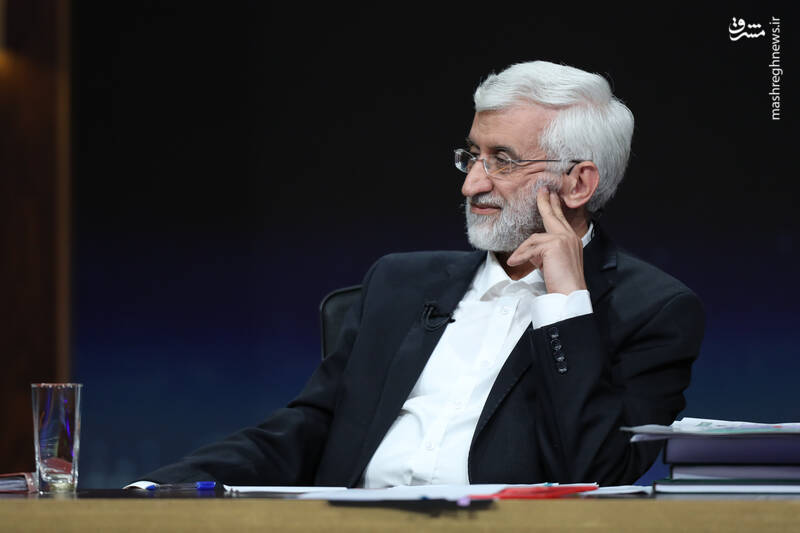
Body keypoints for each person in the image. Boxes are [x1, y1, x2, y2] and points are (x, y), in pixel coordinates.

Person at [131, 60, 704, 488]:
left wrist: (566, 304)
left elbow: (598, 473)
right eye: (471, 156)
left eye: (502, 161)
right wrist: (158, 489)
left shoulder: (652, 312)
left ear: (578, 184)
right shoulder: (400, 283)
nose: (472, 184)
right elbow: (309, 428)